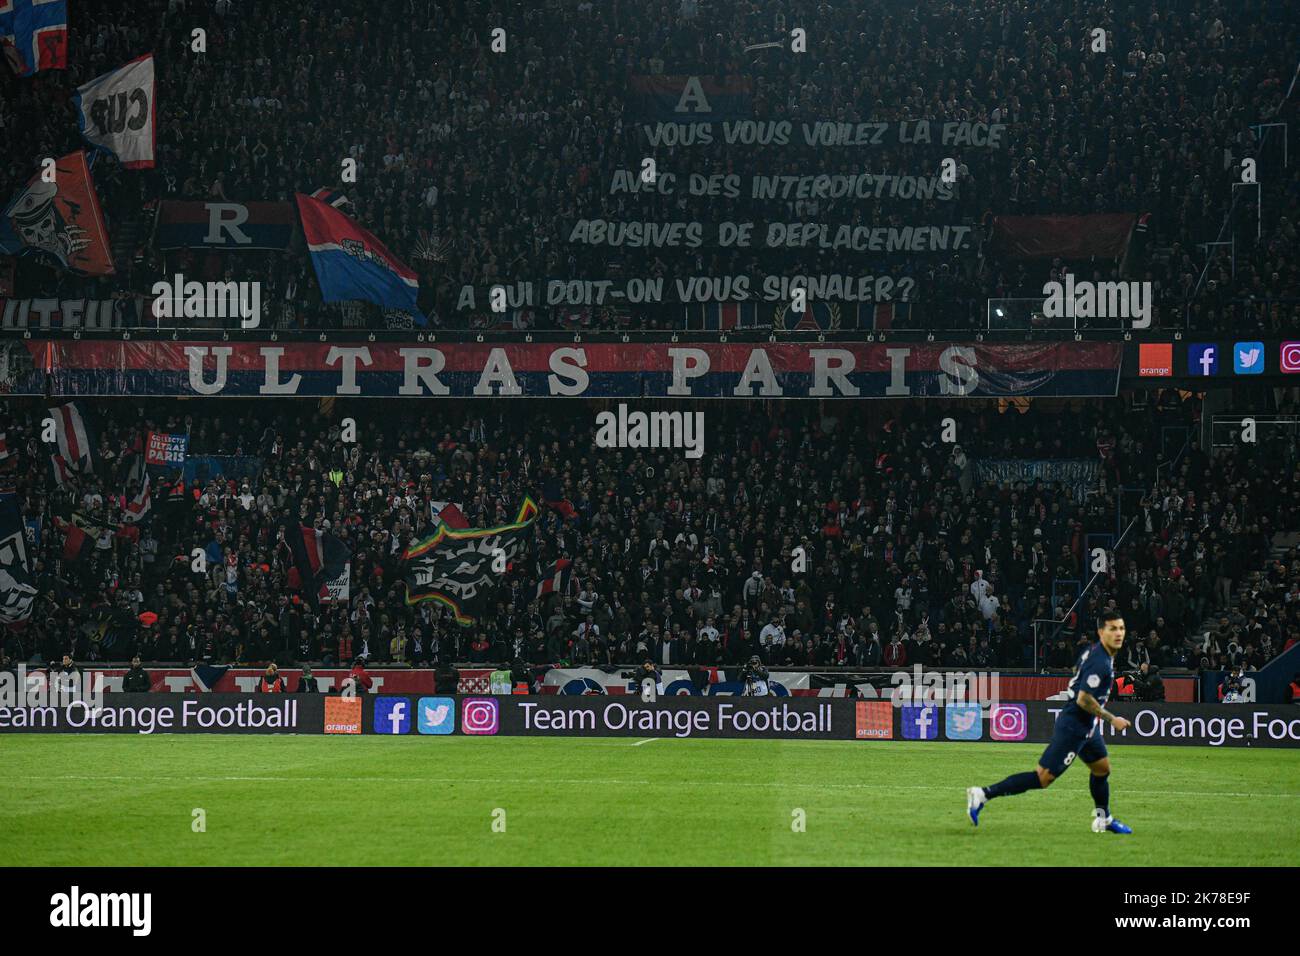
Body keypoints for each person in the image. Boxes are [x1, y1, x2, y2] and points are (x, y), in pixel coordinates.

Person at [967, 611, 1133, 834]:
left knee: (1102, 769)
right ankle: (983, 794)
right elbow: (1083, 699)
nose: (1119, 633)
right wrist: (1112, 719)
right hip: (1074, 725)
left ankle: (1104, 819)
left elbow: (1076, 675)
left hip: (1087, 726)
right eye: (1113, 629)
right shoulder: (1100, 661)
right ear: (1101, 632)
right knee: (1043, 778)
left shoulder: (1094, 651)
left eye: (1121, 628)